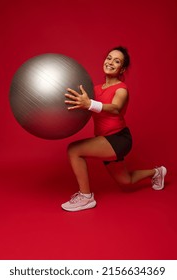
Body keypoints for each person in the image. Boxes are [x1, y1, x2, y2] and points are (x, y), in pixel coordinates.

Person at [61, 46, 167, 212]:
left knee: (74, 150)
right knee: (126, 181)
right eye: (109, 58)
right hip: (105, 140)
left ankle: (86, 197)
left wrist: (89, 103)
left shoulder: (121, 89)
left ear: (122, 69)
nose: (110, 62)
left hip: (118, 139)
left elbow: (115, 108)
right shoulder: (95, 90)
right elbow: (84, 106)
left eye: (116, 61)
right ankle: (157, 172)